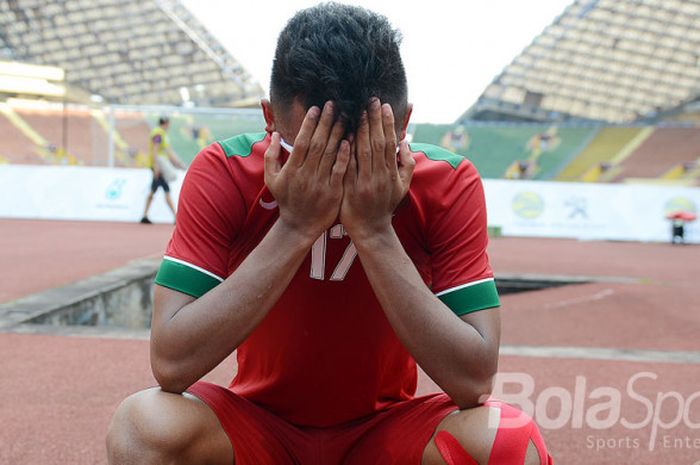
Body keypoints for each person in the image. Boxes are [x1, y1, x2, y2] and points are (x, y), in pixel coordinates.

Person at [107, 4, 551, 465]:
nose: (337, 172)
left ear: (403, 126)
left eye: (369, 153)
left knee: (506, 441)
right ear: (269, 119)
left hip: (386, 432)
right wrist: (295, 226)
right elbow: (172, 364)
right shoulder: (226, 171)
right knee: (144, 427)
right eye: (311, 151)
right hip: (258, 426)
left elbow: (474, 379)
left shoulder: (446, 181)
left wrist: (376, 231)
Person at [140, 117, 185, 224]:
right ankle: (175, 216)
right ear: (165, 123)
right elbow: (155, 150)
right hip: (158, 167)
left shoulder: (162, 134)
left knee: (154, 190)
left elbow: (168, 151)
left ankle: (145, 215)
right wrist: (156, 166)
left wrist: (177, 163)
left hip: (159, 166)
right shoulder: (158, 134)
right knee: (166, 190)